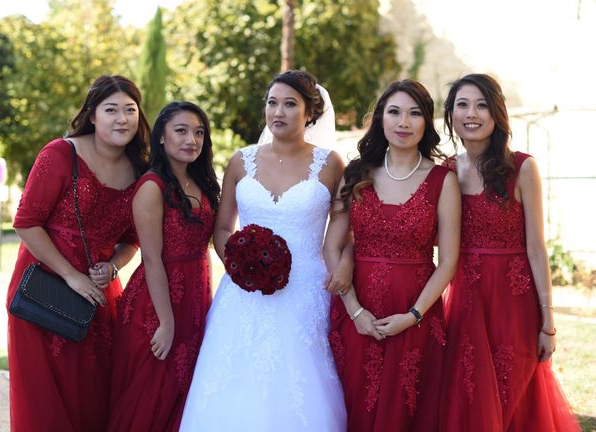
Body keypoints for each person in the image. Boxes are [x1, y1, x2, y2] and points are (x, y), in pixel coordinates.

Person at [180, 70, 347, 431]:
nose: (279, 112)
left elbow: (341, 230)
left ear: (309, 113)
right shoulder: (241, 160)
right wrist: (241, 268)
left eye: (290, 104)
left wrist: (341, 265)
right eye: (272, 103)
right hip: (243, 294)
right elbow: (223, 229)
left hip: (306, 291)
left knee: (300, 381)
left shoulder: (331, 164)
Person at [6, 75, 150, 431]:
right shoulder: (59, 153)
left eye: (130, 110)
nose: (122, 119)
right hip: (43, 289)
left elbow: (131, 240)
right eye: (111, 110)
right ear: (92, 115)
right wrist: (71, 276)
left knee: (94, 394)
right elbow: (26, 223)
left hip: (96, 298)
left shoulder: (141, 171)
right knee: (45, 400)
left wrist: (113, 266)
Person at [439, 74, 579, 431]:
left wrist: (547, 320)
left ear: (496, 113)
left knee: (511, 397)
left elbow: (537, 247)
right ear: (451, 114)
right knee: (467, 396)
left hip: (513, 304)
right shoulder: (446, 172)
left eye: (481, 105)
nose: (472, 113)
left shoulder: (522, 167)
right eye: (463, 105)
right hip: (464, 301)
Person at [325, 79, 461, 431]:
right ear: (381, 119)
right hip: (356, 309)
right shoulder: (356, 173)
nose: (404, 122)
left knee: (408, 410)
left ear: (426, 122)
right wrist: (354, 311)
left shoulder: (442, 180)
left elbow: (447, 262)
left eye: (415, 113)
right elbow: (332, 246)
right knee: (353, 403)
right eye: (395, 112)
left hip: (416, 312)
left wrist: (413, 315)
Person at [108, 101, 220, 431]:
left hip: (196, 297)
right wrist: (167, 322)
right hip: (155, 306)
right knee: (151, 397)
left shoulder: (204, 184)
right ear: (161, 137)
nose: (192, 140)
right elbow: (151, 258)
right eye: (181, 131)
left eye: (199, 133)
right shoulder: (151, 186)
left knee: (184, 394)